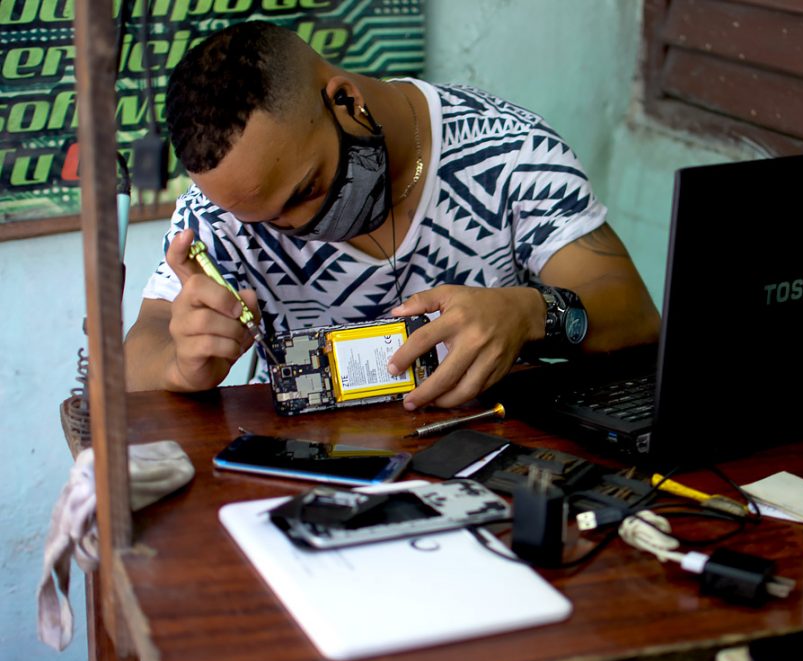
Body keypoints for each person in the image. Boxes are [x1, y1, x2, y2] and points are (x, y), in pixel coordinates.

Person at [124, 20, 660, 410]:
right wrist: (179, 361)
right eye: (264, 219)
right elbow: (131, 358)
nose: (295, 227)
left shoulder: (508, 151)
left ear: (346, 101)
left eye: (307, 190)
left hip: (489, 454)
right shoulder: (219, 214)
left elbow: (635, 315)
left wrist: (526, 314)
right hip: (309, 479)